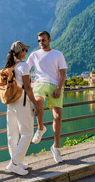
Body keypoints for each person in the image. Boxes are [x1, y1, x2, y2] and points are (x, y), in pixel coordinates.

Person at [27, 31, 67, 163]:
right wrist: (30, 82)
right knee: (38, 102)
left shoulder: (58, 54)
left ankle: (56, 147)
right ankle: (40, 128)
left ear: (49, 40)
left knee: (58, 116)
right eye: (39, 41)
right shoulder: (34, 55)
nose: (41, 43)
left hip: (55, 85)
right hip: (40, 84)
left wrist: (58, 88)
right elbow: (25, 70)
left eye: (43, 40)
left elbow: (63, 74)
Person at [5, 41, 40, 176]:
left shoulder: (10, 66)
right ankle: (14, 164)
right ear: (21, 52)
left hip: (10, 102)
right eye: (25, 49)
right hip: (22, 102)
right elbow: (28, 87)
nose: (26, 51)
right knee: (27, 133)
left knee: (12, 134)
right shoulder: (23, 66)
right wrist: (36, 104)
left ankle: (17, 161)